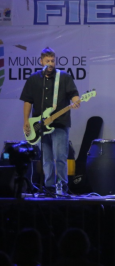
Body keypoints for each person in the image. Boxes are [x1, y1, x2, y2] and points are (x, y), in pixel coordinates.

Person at [20, 47, 80, 195]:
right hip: (40, 125)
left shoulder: (64, 77)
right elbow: (28, 101)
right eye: (47, 61)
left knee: (60, 157)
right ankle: (49, 187)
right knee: (46, 158)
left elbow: (73, 94)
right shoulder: (33, 79)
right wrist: (26, 120)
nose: (51, 63)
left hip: (60, 123)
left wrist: (76, 101)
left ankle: (62, 186)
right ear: (41, 61)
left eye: (52, 61)